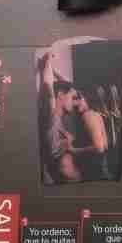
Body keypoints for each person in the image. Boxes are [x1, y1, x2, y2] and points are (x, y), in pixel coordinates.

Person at [37, 51, 82, 182]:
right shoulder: (52, 115)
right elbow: (48, 86)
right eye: (73, 98)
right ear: (61, 95)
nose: (76, 103)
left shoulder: (59, 119)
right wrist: (48, 60)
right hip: (61, 180)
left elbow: (68, 86)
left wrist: (67, 141)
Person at [71, 92, 111, 180]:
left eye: (78, 98)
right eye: (73, 100)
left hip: (94, 171)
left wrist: (75, 151)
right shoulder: (96, 114)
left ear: (86, 98)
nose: (75, 103)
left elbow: (99, 148)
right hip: (103, 169)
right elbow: (105, 145)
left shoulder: (87, 116)